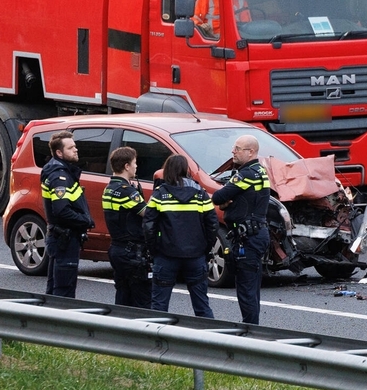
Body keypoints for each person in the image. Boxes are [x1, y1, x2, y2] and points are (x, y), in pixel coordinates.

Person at [144, 155, 217, 318]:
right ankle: (210, 341)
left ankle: (157, 342)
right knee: (202, 306)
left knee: (159, 306)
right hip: (196, 256)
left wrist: (154, 249)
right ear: (186, 170)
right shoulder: (200, 193)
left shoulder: (159, 194)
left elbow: (149, 225)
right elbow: (212, 224)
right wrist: (205, 247)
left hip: (166, 255)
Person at [211, 134, 270, 325]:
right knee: (251, 288)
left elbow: (219, 196)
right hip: (254, 233)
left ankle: (250, 332)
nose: (233, 152)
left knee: (246, 289)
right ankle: (252, 327)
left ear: (250, 152)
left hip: (248, 237)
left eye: (237, 149)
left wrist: (226, 203)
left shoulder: (246, 174)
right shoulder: (259, 170)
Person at [41, 130, 94, 298]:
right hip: (65, 239)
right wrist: (85, 221)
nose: (76, 150)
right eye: (71, 148)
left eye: (75, 146)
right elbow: (62, 211)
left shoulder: (61, 171)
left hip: (62, 238)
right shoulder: (59, 176)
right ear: (59, 153)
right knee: (64, 292)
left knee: (56, 289)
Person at [102, 146, 150, 308]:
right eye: (134, 163)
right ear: (126, 166)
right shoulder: (126, 192)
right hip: (132, 252)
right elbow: (148, 213)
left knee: (122, 296)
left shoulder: (109, 189)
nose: (136, 166)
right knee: (141, 299)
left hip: (117, 248)